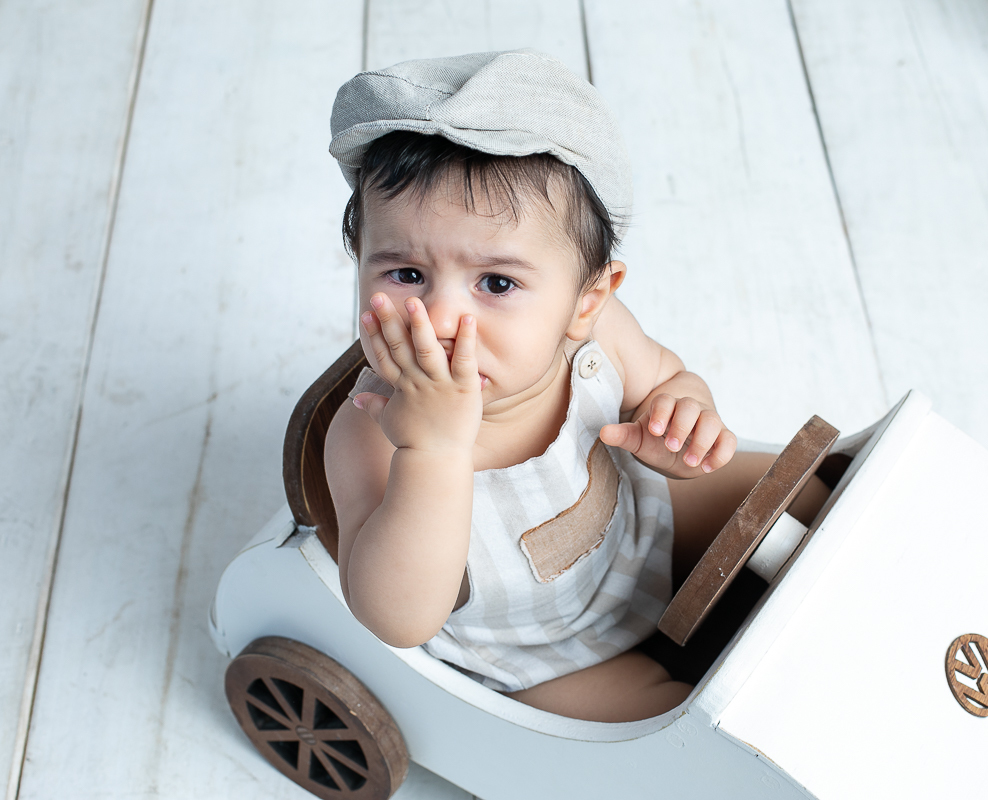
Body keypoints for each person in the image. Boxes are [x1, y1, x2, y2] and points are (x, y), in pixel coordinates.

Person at [324, 50, 829, 723]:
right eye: (406, 275)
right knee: (678, 730)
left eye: (497, 284)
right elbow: (398, 616)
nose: (442, 320)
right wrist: (433, 454)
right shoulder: (370, 431)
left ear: (586, 300)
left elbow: (666, 377)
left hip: (645, 536)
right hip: (546, 653)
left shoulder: (595, 337)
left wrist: (682, 414)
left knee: (811, 496)